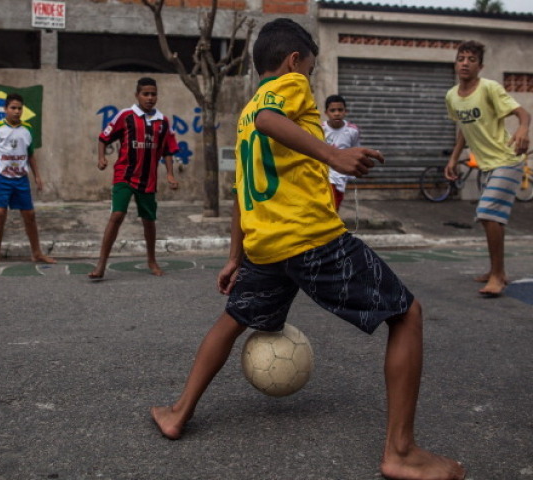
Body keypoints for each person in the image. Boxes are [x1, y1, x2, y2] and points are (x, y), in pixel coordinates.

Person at [151, 18, 465, 480]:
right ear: (294, 60)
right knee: (407, 314)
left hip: (266, 246)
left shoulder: (243, 114)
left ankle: (178, 412)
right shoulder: (285, 87)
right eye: (312, 68)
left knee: (234, 318)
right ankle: (400, 451)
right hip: (310, 238)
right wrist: (333, 154)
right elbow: (269, 119)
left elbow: (241, 187)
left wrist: (236, 255)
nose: (311, 79)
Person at [444, 40, 531, 297]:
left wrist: (523, 130)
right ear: (456, 62)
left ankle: (497, 276)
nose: (465, 63)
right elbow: (463, 129)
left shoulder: (489, 88)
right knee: (492, 220)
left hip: (508, 160)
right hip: (486, 165)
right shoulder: (451, 96)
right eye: (461, 58)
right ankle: (498, 270)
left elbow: (523, 114)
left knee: (488, 214)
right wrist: (453, 158)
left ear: (480, 66)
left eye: (471, 59)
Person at [88, 77, 179, 279]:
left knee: (148, 220)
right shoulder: (126, 116)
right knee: (117, 215)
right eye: (145, 94)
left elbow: (168, 150)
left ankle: (152, 260)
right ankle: (101, 264)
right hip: (124, 175)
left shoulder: (162, 122)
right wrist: (101, 158)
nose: (150, 98)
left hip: (148, 179)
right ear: (137, 95)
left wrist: (170, 175)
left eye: (153, 94)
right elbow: (104, 137)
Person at [0, 93, 56, 269]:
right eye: (13, 108)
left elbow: (30, 154)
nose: (17, 111)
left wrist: (37, 176)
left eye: (20, 108)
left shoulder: (27, 129)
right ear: (5, 109)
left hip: (21, 179)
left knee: (30, 215)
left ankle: (37, 253)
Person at [322, 94, 360, 210]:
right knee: (328, 207)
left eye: (340, 110)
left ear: (345, 111)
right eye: (332, 110)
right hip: (325, 176)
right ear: (326, 113)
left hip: (341, 177)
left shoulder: (352, 131)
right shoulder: (321, 129)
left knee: (335, 207)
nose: (337, 113)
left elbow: (355, 149)